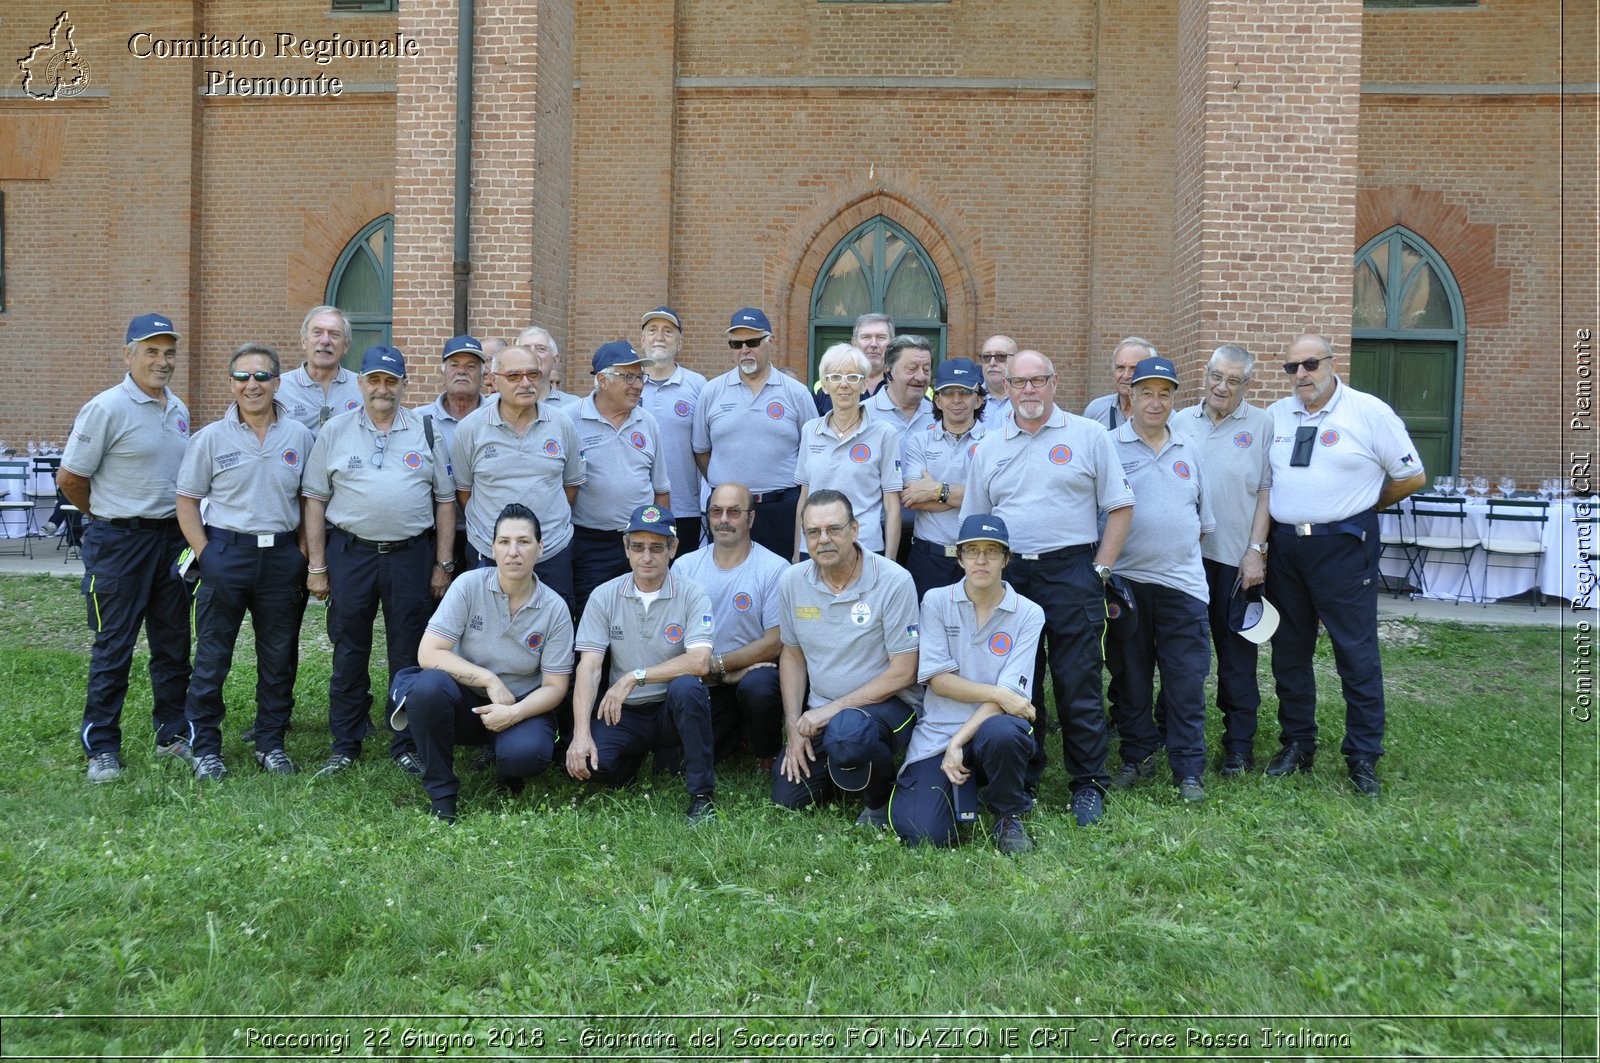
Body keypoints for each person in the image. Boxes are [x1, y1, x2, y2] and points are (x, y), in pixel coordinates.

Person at [961, 349, 1134, 826]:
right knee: (1018, 680)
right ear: (1006, 389)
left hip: (1073, 571)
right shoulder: (989, 447)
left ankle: (1088, 783)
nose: (1029, 391)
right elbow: (976, 523)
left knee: (1077, 679)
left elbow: (1120, 506)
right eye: (1019, 383)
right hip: (1010, 578)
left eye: (1038, 381)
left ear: (1054, 384)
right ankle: (1023, 776)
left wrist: (1100, 570)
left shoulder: (1089, 435)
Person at [1264, 333, 1426, 796]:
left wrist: (1365, 507)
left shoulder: (1368, 412)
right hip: (1288, 548)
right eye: (1291, 368)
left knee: (1354, 653)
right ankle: (1297, 743)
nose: (1301, 375)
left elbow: (1411, 475)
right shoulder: (1278, 415)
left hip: (1343, 548)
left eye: (1310, 364)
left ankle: (1362, 755)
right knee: (1288, 653)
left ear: (1332, 364)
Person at [301, 345, 455, 779]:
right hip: (351, 554)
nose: (382, 389)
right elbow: (314, 499)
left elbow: (445, 501)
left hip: (410, 556)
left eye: (391, 381)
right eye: (374, 380)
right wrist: (317, 565)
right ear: (361, 383)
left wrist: (443, 563)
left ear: (404, 385)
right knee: (349, 649)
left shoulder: (426, 429)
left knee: (408, 652)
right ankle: (345, 742)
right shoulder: (334, 430)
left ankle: (406, 742)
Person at [59, 313, 194, 782]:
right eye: (152, 351)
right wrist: (103, 514)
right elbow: (70, 478)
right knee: (114, 647)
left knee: (174, 646)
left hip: (170, 542)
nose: (162, 361)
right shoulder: (106, 408)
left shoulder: (177, 409)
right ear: (128, 355)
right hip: (118, 542)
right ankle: (101, 747)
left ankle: (172, 734)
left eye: (169, 352)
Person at [176, 343, 314, 780]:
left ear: (276, 382)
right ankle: (206, 748)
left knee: (278, 656)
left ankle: (271, 743)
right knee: (213, 657)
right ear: (231, 383)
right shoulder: (210, 438)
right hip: (226, 554)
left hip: (281, 558)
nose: (251, 385)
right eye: (242, 377)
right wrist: (205, 553)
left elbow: (311, 500)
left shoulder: (300, 437)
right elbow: (186, 500)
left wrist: (305, 554)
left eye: (261, 376)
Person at [391, 503, 573, 823]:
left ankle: (508, 768)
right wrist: (489, 679)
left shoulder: (555, 609)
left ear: (540, 548)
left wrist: (514, 712)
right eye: (504, 542)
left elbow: (556, 687)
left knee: (527, 755)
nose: (513, 552)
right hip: (464, 702)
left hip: (520, 706)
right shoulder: (468, 585)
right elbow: (429, 653)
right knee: (427, 687)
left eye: (524, 542)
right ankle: (442, 793)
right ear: (492, 548)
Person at [890, 513, 1041, 852]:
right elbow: (940, 682)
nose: (982, 559)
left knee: (1004, 732)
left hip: (990, 732)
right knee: (923, 834)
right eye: (972, 551)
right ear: (959, 558)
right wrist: (1001, 693)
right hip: (937, 736)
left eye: (992, 550)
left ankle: (1008, 813)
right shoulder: (936, 601)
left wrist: (958, 741)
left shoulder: (1029, 613)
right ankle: (954, 788)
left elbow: (1008, 703)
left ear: (1007, 558)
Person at [771, 490, 922, 828]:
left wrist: (830, 711)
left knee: (849, 729)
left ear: (855, 530)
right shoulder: (792, 581)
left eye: (834, 529)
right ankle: (848, 766)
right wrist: (794, 726)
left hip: (890, 706)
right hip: (823, 713)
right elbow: (792, 656)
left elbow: (904, 671)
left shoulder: (894, 580)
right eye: (813, 532)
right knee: (789, 799)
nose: (823, 540)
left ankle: (879, 802)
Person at [1102, 357, 1215, 803]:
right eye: (1146, 392)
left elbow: (1202, 522)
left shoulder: (1190, 450)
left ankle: (1188, 769)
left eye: (1164, 393)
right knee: (1130, 678)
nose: (1155, 401)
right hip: (1126, 582)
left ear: (1174, 399)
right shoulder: (1107, 445)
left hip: (1183, 586)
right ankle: (1137, 756)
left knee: (1185, 681)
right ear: (1130, 394)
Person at [565, 504, 719, 825]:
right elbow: (590, 667)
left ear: (673, 549)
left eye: (656, 547)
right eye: (638, 547)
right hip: (625, 713)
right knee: (594, 768)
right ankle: (636, 758)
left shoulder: (693, 594)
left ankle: (702, 797)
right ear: (626, 548)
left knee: (689, 686)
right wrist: (581, 735)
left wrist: (635, 676)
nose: (646, 556)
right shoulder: (604, 595)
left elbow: (700, 662)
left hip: (670, 709)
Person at [1175, 344, 1273, 775]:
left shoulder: (1261, 424)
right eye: (1217, 376)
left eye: (1233, 380)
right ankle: (1176, 735)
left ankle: (1238, 747)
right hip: (1184, 562)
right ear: (1205, 373)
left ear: (1246, 385)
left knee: (1236, 659)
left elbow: (1267, 492)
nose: (1222, 386)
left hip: (1235, 563)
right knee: (1182, 657)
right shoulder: (1179, 422)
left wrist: (1255, 551)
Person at [451, 343, 585, 611]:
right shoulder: (471, 429)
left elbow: (571, 486)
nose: (526, 383)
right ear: (493, 380)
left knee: (551, 633)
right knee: (486, 632)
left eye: (533, 375)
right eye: (514, 376)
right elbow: (464, 492)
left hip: (551, 553)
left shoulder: (562, 424)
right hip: (490, 555)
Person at [672, 482, 789, 768]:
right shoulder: (684, 567)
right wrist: (720, 673)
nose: (723, 519)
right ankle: (738, 735)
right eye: (716, 511)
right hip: (703, 680)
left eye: (734, 512)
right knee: (682, 762)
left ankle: (767, 751)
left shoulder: (775, 569)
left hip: (752, 676)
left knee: (760, 686)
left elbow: (775, 641)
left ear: (751, 518)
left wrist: (718, 666)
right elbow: (673, 639)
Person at [692, 307, 817, 560]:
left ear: (771, 341)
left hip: (781, 509)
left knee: (781, 580)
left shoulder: (796, 393)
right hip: (728, 512)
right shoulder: (711, 392)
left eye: (752, 342)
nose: (744, 350)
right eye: (736, 344)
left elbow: (813, 450)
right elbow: (701, 451)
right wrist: (726, 482)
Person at [570, 341, 671, 619]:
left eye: (640, 377)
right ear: (602, 380)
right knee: (592, 618)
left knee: (639, 616)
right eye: (628, 377)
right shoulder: (569, 420)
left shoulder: (647, 422)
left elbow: (661, 490)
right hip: (589, 543)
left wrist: (658, 538)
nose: (637, 385)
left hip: (640, 541)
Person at [794, 343, 904, 559]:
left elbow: (892, 505)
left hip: (865, 548)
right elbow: (803, 498)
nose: (844, 384)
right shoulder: (810, 431)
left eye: (853, 377)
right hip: (816, 546)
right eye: (835, 377)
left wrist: (890, 562)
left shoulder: (884, 434)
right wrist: (798, 552)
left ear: (864, 385)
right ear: (824, 385)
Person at [900, 358, 987, 599]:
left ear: (979, 398)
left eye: (965, 392)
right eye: (948, 392)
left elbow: (995, 499)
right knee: (925, 632)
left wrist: (937, 490)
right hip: (929, 558)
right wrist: (972, 495)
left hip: (979, 558)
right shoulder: (919, 440)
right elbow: (912, 498)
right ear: (937, 399)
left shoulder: (994, 442)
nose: (956, 400)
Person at [412, 334, 491, 575]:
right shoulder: (419, 419)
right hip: (433, 534)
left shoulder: (498, 417)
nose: (462, 372)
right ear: (443, 372)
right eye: (454, 365)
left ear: (484, 374)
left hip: (486, 535)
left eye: (471, 366)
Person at [639, 307, 709, 545]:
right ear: (642, 339)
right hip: (634, 506)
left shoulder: (698, 385)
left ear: (680, 342)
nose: (659, 336)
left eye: (668, 331)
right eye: (652, 330)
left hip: (684, 507)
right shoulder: (628, 382)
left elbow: (706, 446)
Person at [277, 305, 363, 434]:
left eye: (334, 334)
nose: (325, 341)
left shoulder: (362, 387)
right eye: (317, 333)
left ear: (346, 346)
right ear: (303, 341)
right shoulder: (279, 388)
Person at [815, 313, 894, 416]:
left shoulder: (901, 386)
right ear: (854, 343)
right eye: (866, 337)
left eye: (881, 337)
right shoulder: (825, 387)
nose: (873, 344)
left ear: (892, 343)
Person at [867, 335, 935, 441]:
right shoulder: (863, 414)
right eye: (912, 369)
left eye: (926, 370)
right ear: (888, 371)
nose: (921, 377)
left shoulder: (941, 416)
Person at [1082, 336, 1155, 432]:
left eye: (1134, 368)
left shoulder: (1163, 415)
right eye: (1120, 367)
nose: (1125, 375)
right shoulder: (1095, 411)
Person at [519, 326, 577, 412]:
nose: (533, 354)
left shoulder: (574, 406)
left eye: (541, 349)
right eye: (525, 349)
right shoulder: (497, 403)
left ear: (555, 360)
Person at [976, 335, 1017, 428]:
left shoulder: (1029, 398)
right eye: (986, 357)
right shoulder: (968, 399)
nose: (992, 363)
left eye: (1001, 356)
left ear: (1016, 360)